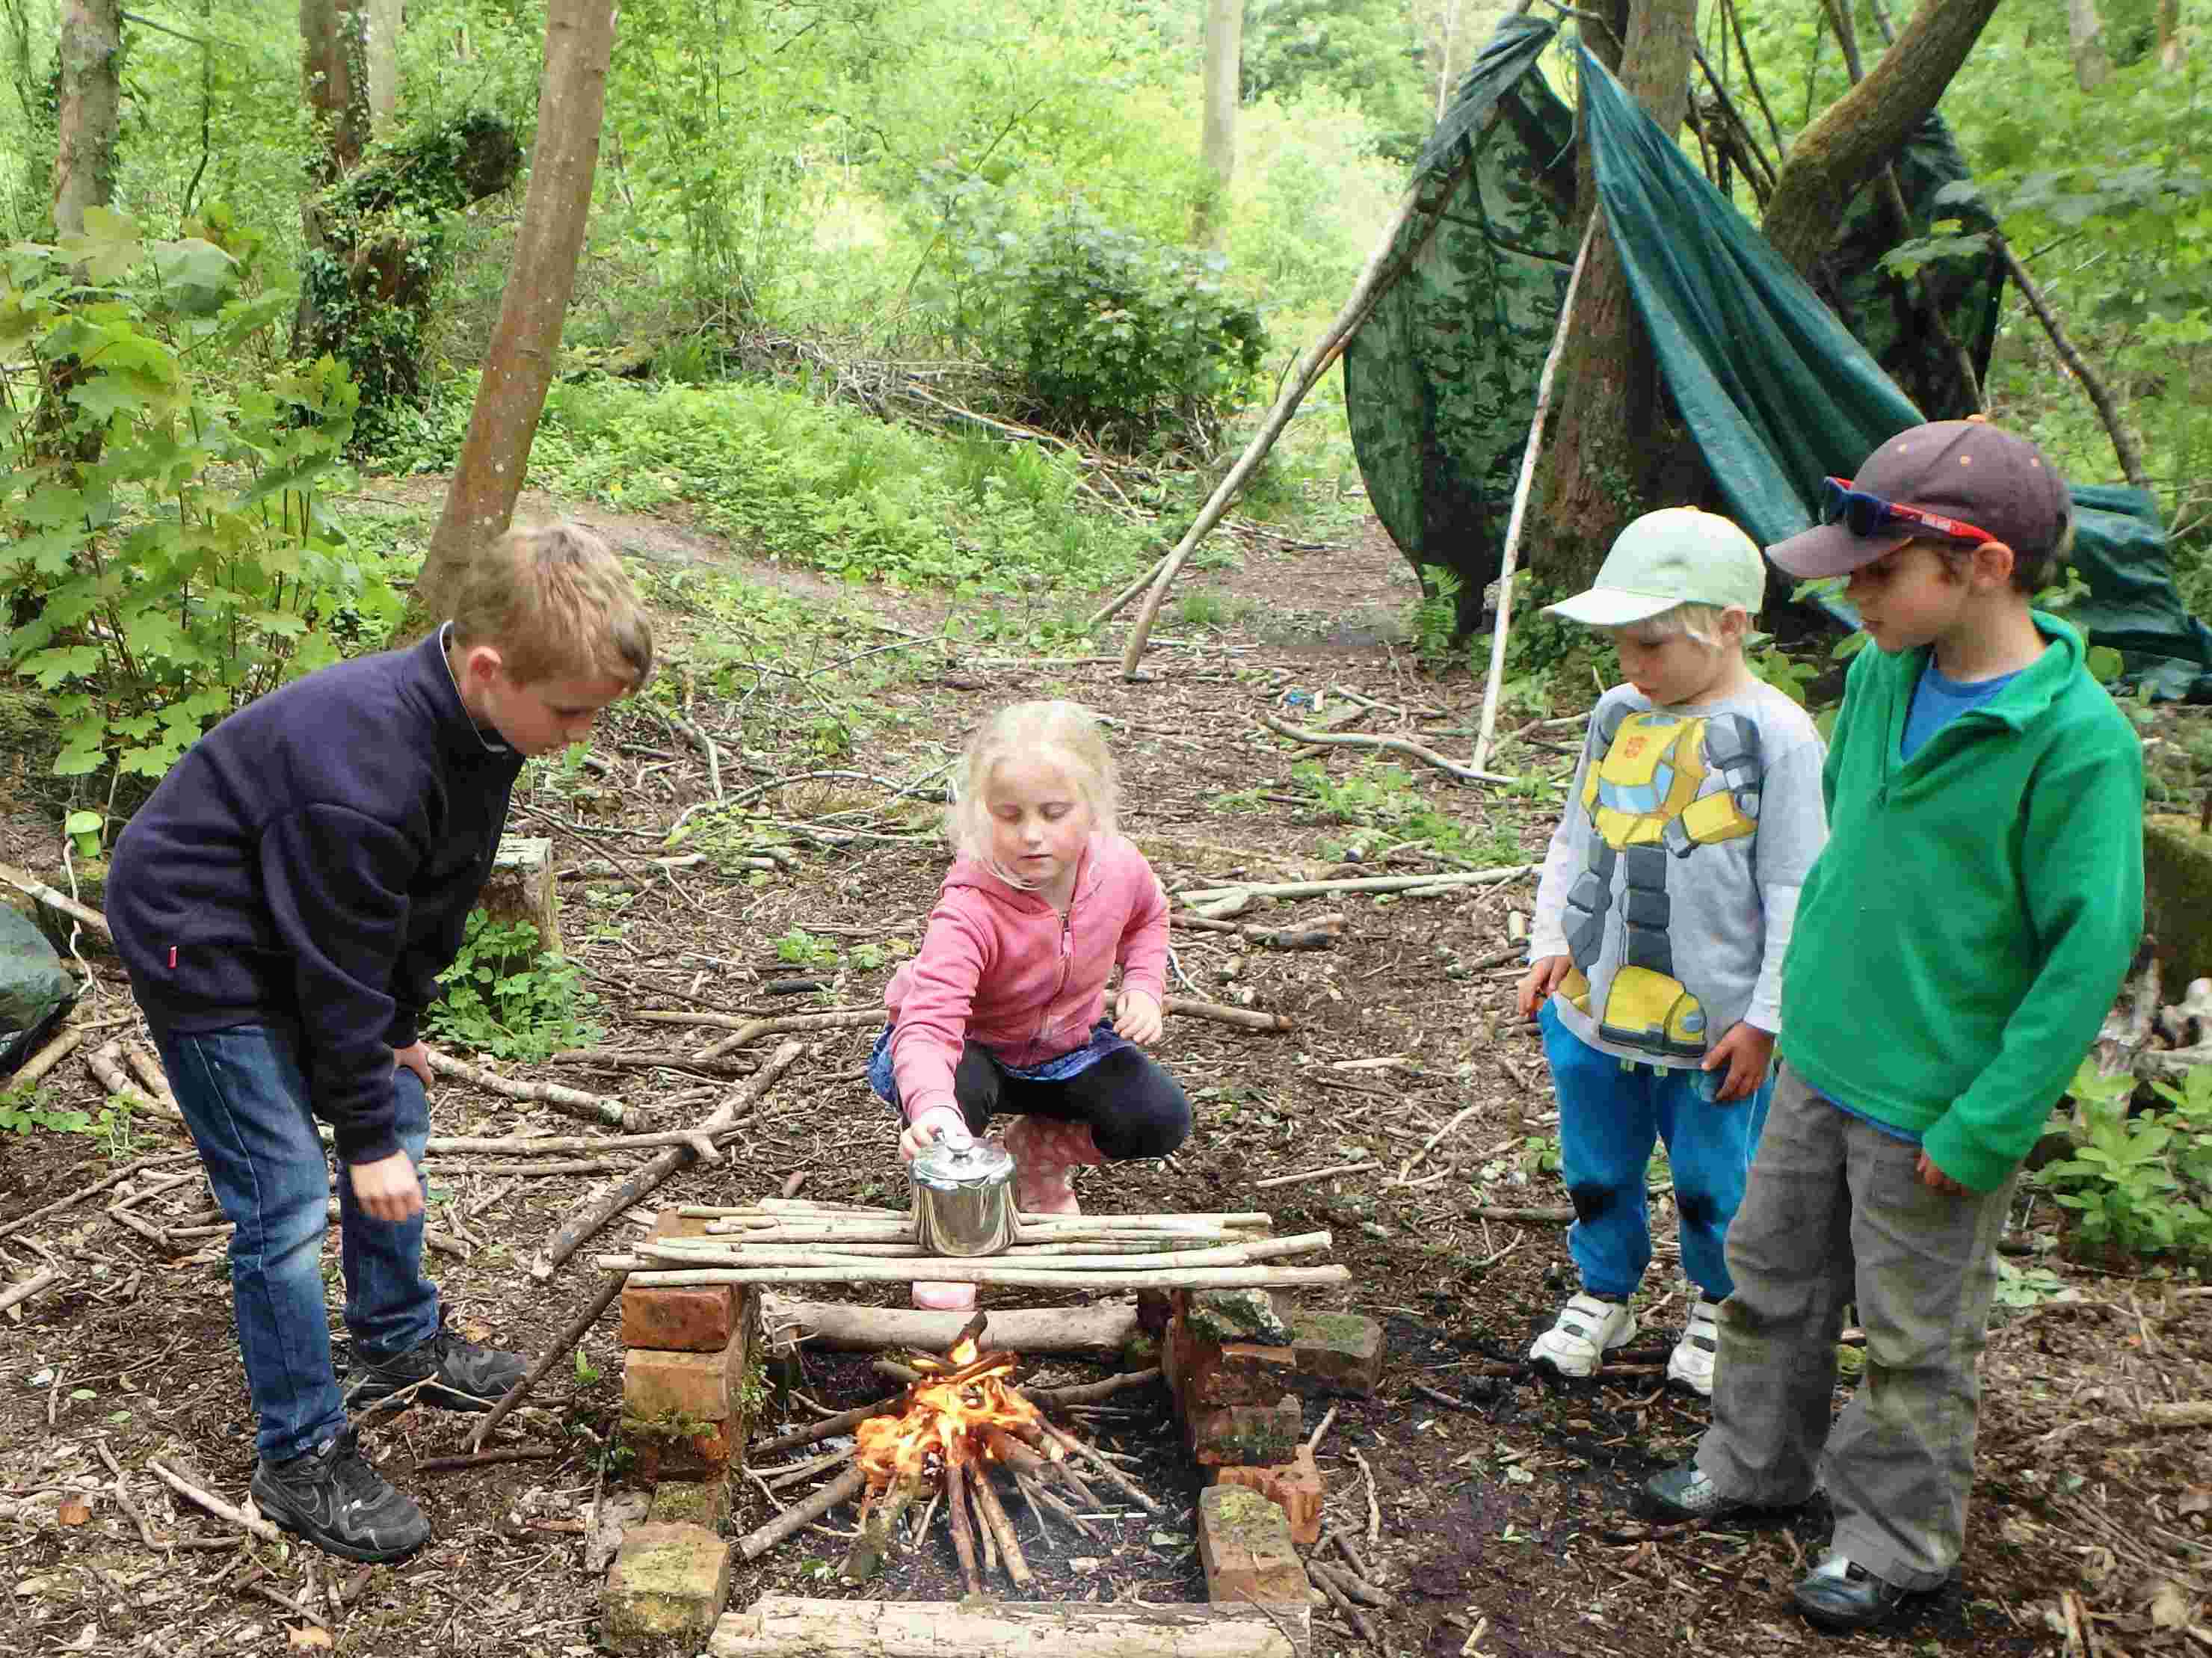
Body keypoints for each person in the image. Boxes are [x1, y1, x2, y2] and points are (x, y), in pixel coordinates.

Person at [1639, 421, 2144, 1634]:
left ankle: (1893, 1537)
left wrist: (1987, 1121)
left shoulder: (2073, 745)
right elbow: (1842, 863)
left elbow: (2083, 957)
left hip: (1935, 1099)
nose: (1847, 592)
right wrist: (1782, 1016)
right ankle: (1753, 1461)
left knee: (1913, 1336)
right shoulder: (1878, 676)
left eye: (1874, 571)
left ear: (1976, 564)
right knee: (1767, 1276)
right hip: (1819, 1056)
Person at [106, 523, 653, 1563]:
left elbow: (425, 898)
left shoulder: (486, 729)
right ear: (488, 665)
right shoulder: (360, 766)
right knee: (286, 1193)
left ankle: (398, 1340)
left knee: (396, 1100)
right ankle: (299, 1449)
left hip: (302, 930)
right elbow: (334, 962)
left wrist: (395, 1034)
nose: (585, 731)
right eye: (574, 709)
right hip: (207, 942)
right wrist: (360, 1135)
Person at [1518, 507, 1827, 1396]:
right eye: (1621, 645)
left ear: (1730, 625)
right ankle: (1603, 1288)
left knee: (1712, 1174)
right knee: (1597, 1161)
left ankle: (1717, 1300)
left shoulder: (1779, 735)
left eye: (1652, 645)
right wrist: (1550, 942)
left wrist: (1767, 1017)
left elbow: (1794, 888)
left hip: (1716, 1020)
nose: (1632, 666)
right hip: (1593, 1001)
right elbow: (1576, 836)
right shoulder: (1617, 716)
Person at [869, 699, 1192, 1310]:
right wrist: (932, 1111)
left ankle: (1035, 1159)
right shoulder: (970, 909)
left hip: (1064, 1048)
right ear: (980, 815)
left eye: (1053, 813)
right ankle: (952, 1234)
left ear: (1091, 806)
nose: (1032, 834)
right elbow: (930, 1024)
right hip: (973, 1050)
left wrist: (1144, 984)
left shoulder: (1119, 869)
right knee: (953, 1093)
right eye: (1009, 815)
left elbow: (1150, 916)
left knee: (1157, 1116)